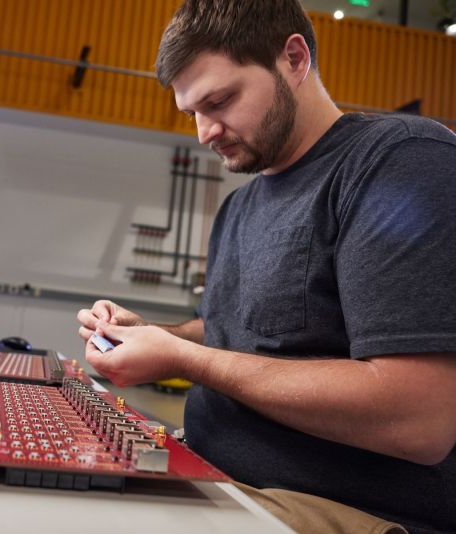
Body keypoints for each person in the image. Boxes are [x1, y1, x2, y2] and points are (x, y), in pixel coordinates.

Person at [76, 1, 456, 533]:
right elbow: (232, 330)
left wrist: (185, 359)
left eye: (220, 100)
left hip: (346, 509)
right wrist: (150, 335)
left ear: (294, 59)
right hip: (219, 474)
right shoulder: (238, 206)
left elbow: (418, 419)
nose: (205, 132)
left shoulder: (399, 163)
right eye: (192, 113)